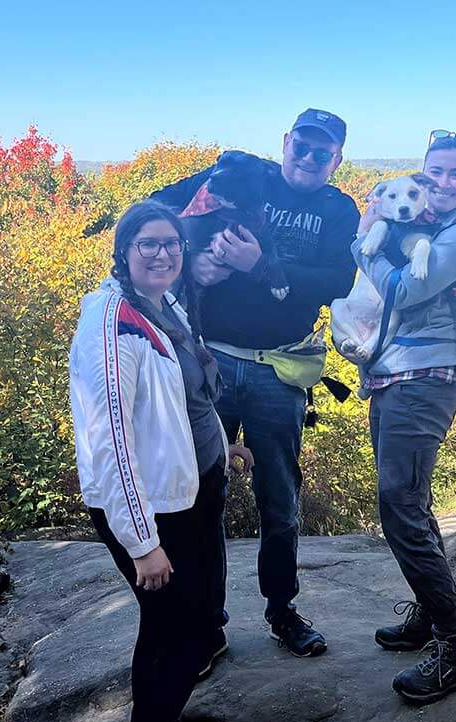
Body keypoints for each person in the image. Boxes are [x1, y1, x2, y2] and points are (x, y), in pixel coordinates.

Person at [151, 109, 360, 659]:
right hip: (213, 361)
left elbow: (338, 281)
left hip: (280, 368)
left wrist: (260, 263)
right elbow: (156, 215)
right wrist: (192, 264)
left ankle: (281, 609)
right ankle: (206, 623)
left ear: (337, 159)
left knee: (280, 499)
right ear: (286, 142)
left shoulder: (339, 209)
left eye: (323, 152)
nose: (309, 158)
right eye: (302, 145)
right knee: (201, 498)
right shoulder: (244, 174)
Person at [69, 200, 253, 722]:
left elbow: (188, 395)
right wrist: (143, 543)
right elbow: (110, 439)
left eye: (172, 243)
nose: (162, 254)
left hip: (191, 491)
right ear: (123, 250)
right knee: (173, 634)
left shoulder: (164, 305)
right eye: (147, 243)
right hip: (151, 506)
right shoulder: (113, 324)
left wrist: (222, 444)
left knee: (194, 625)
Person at [351, 130, 456, 704]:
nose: (443, 183)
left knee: (400, 506)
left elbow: (404, 291)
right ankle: (431, 617)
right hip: (393, 377)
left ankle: (455, 651)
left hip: (424, 381)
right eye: (435, 174)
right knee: (410, 503)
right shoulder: (424, 226)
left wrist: (365, 247)